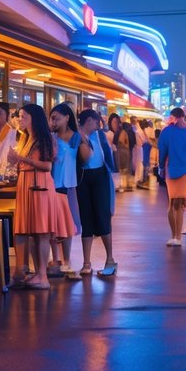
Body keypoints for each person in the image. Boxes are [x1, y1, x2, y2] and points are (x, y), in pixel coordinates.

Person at [8, 104, 75, 289]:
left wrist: (21, 159)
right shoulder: (25, 138)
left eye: (24, 116)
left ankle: (42, 276)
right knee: (25, 229)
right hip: (26, 183)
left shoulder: (44, 139)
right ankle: (29, 271)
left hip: (39, 185)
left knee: (41, 231)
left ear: (33, 118)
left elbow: (47, 166)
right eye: (19, 116)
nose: (20, 119)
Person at [76, 108, 118, 276]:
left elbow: (107, 156)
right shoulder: (77, 136)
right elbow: (84, 158)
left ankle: (110, 259)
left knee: (103, 216)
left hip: (100, 177)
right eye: (96, 122)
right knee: (86, 219)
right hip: (83, 178)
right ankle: (86, 262)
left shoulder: (99, 135)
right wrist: (82, 139)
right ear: (88, 121)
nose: (98, 126)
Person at [49, 103, 82, 278]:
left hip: (69, 184)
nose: (53, 121)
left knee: (68, 223)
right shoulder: (51, 137)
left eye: (56, 118)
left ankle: (67, 260)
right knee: (53, 224)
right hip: (53, 183)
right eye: (51, 118)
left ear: (67, 118)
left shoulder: (76, 137)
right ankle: (56, 260)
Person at [158, 108, 186, 246]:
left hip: (171, 169)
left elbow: (162, 151)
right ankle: (177, 237)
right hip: (185, 170)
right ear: (184, 116)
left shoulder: (166, 131)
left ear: (173, 117)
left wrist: (161, 166)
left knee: (173, 203)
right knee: (178, 203)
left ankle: (174, 236)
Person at [107, 113, 137, 192]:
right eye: (114, 122)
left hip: (122, 161)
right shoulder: (111, 134)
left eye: (117, 122)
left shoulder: (119, 133)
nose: (115, 124)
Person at [136, 119, 154, 189]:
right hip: (147, 147)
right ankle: (145, 180)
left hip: (146, 146)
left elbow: (146, 140)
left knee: (145, 164)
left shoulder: (145, 130)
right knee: (146, 164)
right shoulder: (148, 130)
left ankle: (144, 181)